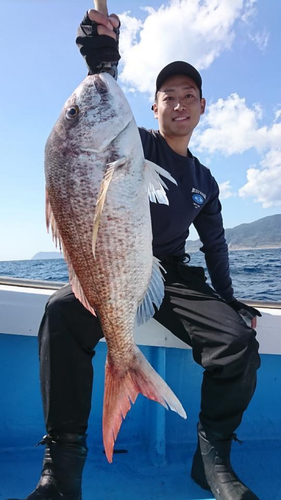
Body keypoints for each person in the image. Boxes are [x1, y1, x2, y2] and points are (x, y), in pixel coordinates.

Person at [16, 9, 262, 500]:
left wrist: (231, 299)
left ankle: (211, 460)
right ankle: (60, 468)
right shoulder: (135, 144)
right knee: (60, 314)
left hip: (169, 274)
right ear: (152, 108)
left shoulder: (205, 181)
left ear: (203, 107)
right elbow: (87, 132)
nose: (179, 104)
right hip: (116, 265)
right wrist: (101, 59)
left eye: (188, 96)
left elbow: (214, 245)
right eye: (168, 96)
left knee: (237, 344)